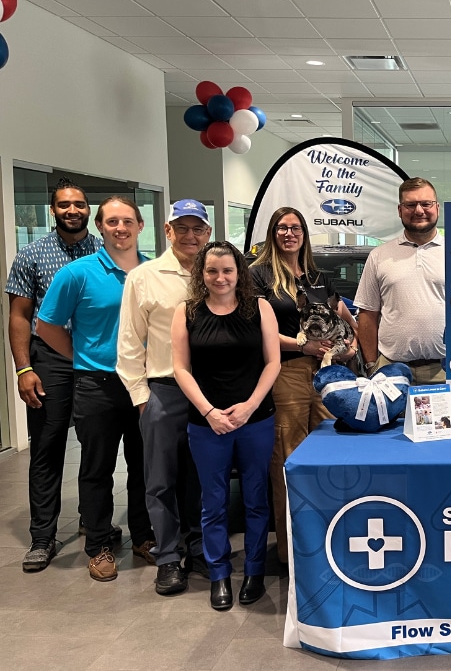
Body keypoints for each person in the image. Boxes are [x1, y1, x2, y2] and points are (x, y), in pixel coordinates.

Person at [35, 196, 156, 582]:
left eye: (127, 221)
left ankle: (143, 536)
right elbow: (46, 326)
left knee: (144, 466)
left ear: (140, 226)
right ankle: (99, 545)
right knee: (96, 469)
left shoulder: (154, 271)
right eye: (112, 222)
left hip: (143, 385)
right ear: (101, 228)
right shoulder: (76, 274)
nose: (120, 229)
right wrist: (81, 356)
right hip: (96, 385)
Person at [172, 241, 280, 610]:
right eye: (212, 271)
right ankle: (219, 574)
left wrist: (249, 407)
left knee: (255, 498)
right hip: (207, 424)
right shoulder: (186, 312)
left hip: (256, 420)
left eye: (228, 270)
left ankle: (253, 571)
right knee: (213, 502)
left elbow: (273, 363)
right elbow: (181, 369)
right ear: (201, 274)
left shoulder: (259, 308)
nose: (220, 278)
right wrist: (208, 412)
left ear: (239, 273)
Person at [6, 178, 103, 573]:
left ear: (88, 209)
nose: (73, 211)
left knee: (97, 445)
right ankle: (42, 537)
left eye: (79, 204)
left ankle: (92, 521)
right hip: (49, 359)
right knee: (47, 447)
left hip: (96, 356)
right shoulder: (31, 255)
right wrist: (24, 367)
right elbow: (18, 317)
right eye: (64, 205)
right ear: (53, 210)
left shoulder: (105, 251)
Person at [117, 200, 212, 596]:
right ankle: (169, 558)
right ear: (168, 231)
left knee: (204, 477)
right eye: (182, 228)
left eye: (198, 229)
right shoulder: (145, 277)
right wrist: (143, 399)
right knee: (160, 481)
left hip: (210, 394)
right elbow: (128, 344)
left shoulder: (219, 273)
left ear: (207, 232)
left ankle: (199, 548)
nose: (191, 236)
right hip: (164, 391)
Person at [250, 207, 355, 565]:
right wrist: (302, 345)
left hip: (328, 373)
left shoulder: (317, 276)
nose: (289, 233)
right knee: (289, 459)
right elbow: (256, 329)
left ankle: (332, 544)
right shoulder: (259, 275)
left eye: (295, 228)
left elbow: (343, 312)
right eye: (282, 228)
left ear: (304, 234)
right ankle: (290, 554)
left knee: (332, 453)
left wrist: (353, 343)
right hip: (288, 373)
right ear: (272, 233)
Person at [355, 177, 446, 385]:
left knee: (447, 420)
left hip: (444, 370)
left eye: (426, 203)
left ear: (437, 208)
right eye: (410, 205)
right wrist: (371, 365)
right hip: (391, 371)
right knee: (392, 419)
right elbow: (367, 315)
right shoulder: (379, 256)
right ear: (399, 210)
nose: (419, 210)